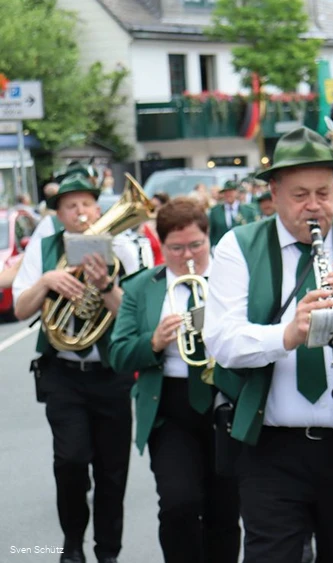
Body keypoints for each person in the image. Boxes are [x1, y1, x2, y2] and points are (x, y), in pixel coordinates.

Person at [204, 126, 333, 563]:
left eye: (324, 193)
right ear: (273, 192)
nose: (314, 205)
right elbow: (221, 339)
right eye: (299, 195)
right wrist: (288, 335)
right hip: (272, 450)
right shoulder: (237, 246)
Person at [12, 174, 139, 563]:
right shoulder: (45, 246)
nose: (80, 212)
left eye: (86, 204)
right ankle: (71, 546)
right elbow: (20, 308)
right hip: (63, 373)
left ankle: (108, 553)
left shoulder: (124, 249)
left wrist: (104, 288)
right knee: (69, 462)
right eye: (71, 206)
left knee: (112, 472)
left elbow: (132, 319)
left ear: (99, 209)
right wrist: (48, 280)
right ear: (60, 214)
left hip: (110, 375)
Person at [108, 197, 241, 563]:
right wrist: (152, 342)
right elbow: (118, 353)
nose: (187, 256)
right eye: (176, 248)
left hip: (224, 401)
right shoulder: (140, 287)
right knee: (178, 504)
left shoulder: (232, 282)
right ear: (161, 245)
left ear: (209, 240)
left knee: (225, 509)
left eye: (196, 245)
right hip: (169, 406)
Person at [208, 180, 260, 247]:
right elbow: (211, 233)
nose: (228, 194)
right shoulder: (215, 211)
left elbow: (253, 231)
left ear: (237, 192)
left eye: (231, 191)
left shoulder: (248, 210)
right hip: (221, 247)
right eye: (226, 192)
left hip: (242, 247)